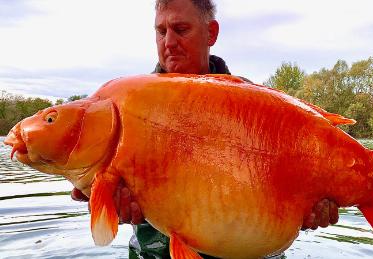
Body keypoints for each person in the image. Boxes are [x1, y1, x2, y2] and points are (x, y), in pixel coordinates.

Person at [71, 0, 339, 258]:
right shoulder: (126, 107)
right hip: (153, 254)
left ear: (211, 33)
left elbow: (287, 201)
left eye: (181, 29)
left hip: (247, 253)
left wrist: (307, 213)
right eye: (161, 31)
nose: (169, 43)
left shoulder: (258, 108)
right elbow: (92, 190)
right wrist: (101, 197)